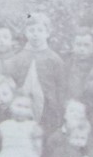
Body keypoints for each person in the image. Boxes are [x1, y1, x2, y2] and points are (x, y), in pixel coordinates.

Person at [19, 13, 64, 149]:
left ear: (48, 33)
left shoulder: (54, 59)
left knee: (45, 142)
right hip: (24, 109)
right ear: (25, 33)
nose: (35, 34)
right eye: (31, 30)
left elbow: (61, 87)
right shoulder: (19, 57)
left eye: (40, 30)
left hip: (48, 110)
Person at [64, 27, 93, 110]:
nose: (82, 49)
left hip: (92, 108)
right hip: (69, 108)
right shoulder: (65, 64)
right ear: (72, 45)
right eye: (78, 45)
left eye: (86, 45)